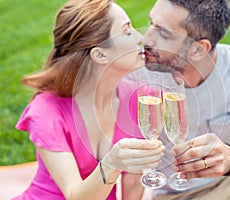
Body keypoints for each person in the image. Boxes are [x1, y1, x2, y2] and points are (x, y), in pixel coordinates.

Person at [121, 0, 230, 199]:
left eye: (163, 34)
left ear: (198, 49)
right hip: (176, 193)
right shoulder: (137, 73)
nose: (146, 38)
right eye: (151, 23)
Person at [13, 0, 165, 199]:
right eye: (127, 31)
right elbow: (75, 196)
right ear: (100, 55)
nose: (141, 37)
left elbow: (133, 182)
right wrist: (112, 163)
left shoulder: (142, 99)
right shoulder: (47, 111)